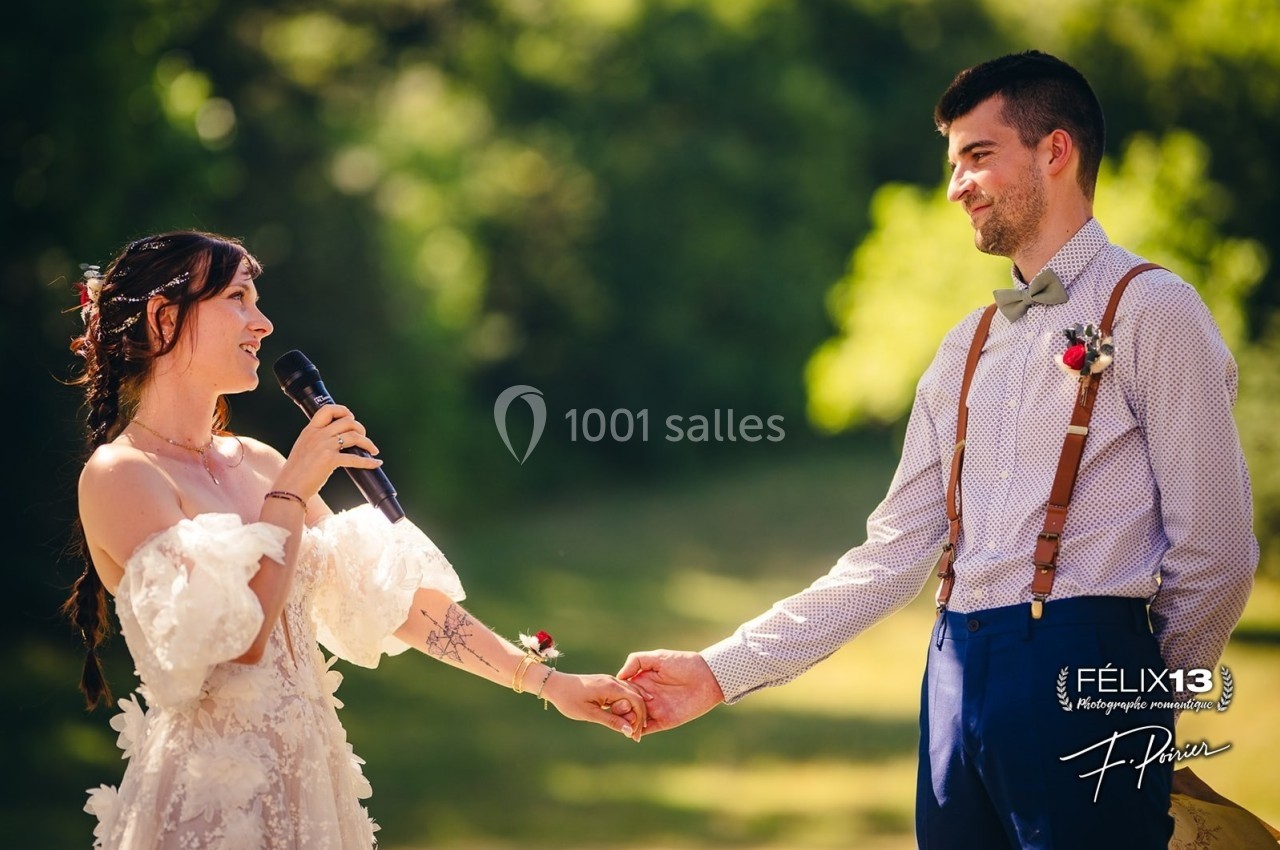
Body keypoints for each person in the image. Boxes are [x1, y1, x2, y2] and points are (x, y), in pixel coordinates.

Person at [620, 51, 1257, 849]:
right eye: (954, 164)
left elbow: (1218, 553)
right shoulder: (965, 347)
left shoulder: (1155, 310)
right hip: (954, 677)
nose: (957, 187)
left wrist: (1140, 702)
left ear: (1056, 152)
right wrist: (719, 671)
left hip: (1088, 672)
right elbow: (889, 558)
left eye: (978, 157)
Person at [63, 230, 645, 849]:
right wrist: (291, 491)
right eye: (237, 299)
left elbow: (395, 600)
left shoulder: (261, 462)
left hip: (313, 794)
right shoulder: (122, 476)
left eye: (256, 301)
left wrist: (548, 683)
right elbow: (236, 644)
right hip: (208, 807)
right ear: (163, 318)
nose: (262, 323)